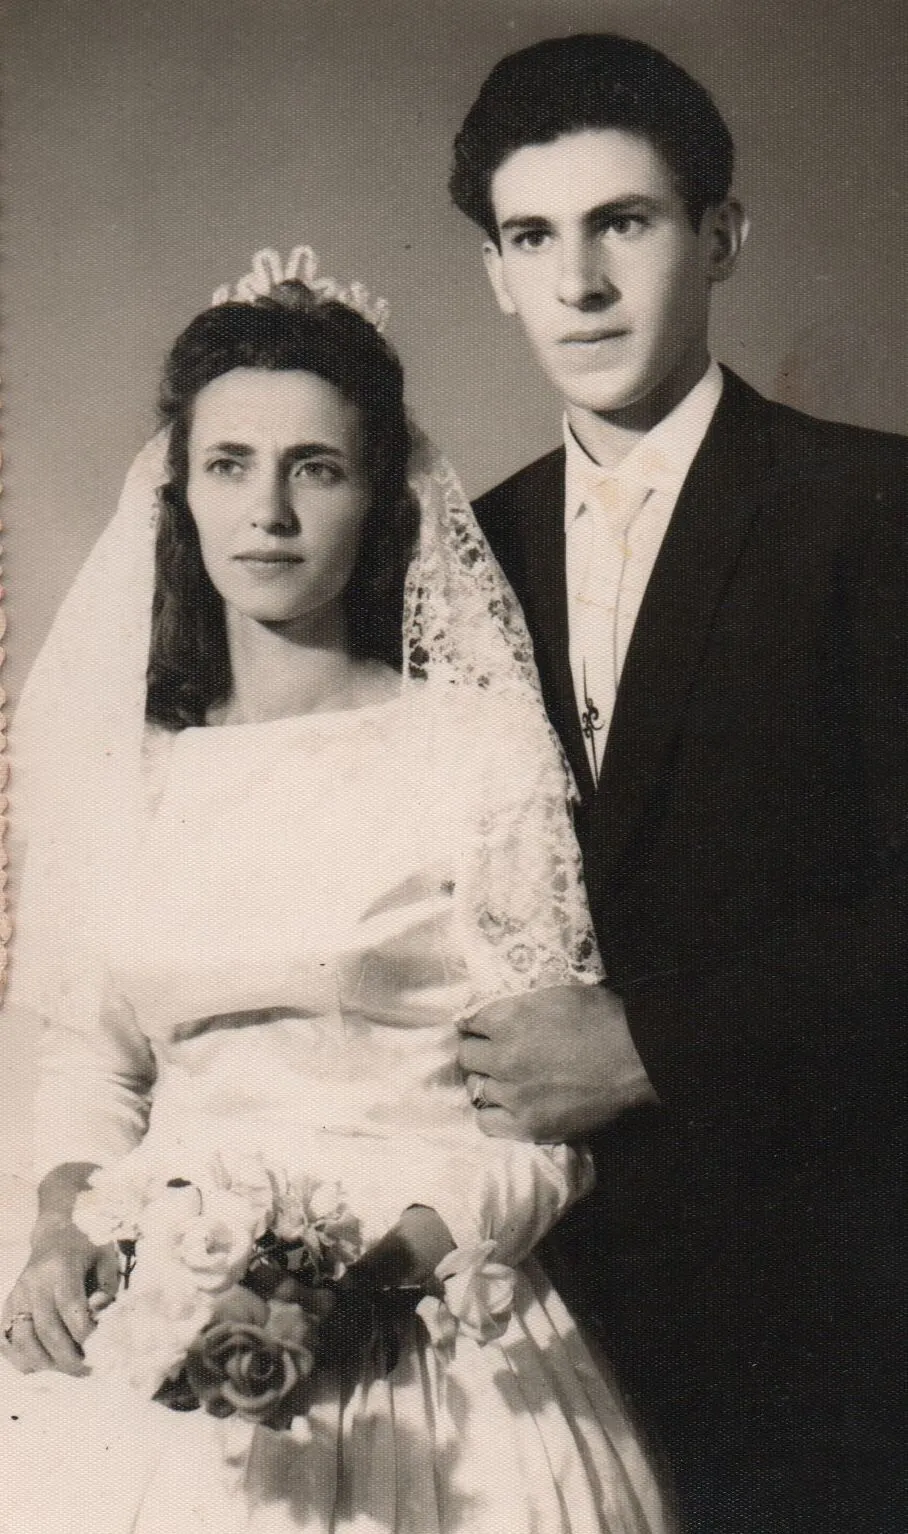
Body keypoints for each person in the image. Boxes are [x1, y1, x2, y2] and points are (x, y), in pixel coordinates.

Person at [0, 248, 674, 1533]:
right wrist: (58, 1226)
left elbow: (543, 1114)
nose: (268, 512)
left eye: (315, 468)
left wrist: (370, 1285)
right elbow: (94, 1065)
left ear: (377, 499)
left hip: (432, 1322)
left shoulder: (468, 748)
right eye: (228, 465)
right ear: (180, 497)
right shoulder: (134, 772)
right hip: (169, 1302)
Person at [450, 35, 907, 1534]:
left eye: (624, 223)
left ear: (721, 235)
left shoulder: (874, 506)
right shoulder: (460, 559)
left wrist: (658, 1042)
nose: (579, 283)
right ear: (496, 273)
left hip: (821, 1302)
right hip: (530, 1315)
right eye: (535, 236)